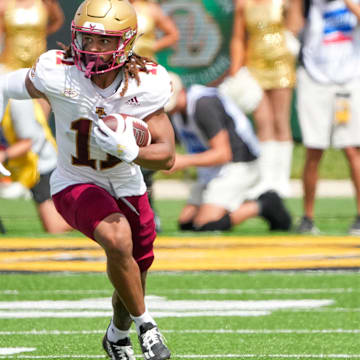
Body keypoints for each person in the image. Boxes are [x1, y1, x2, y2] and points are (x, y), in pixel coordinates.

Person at [0, 0, 175, 359]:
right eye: (86, 39)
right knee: (117, 236)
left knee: (134, 273)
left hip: (126, 182)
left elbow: (168, 155)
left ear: (125, 42)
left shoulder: (146, 82)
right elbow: (5, 85)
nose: (92, 49)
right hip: (74, 181)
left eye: (103, 41)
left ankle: (117, 335)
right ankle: (149, 327)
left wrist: (131, 152)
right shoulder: (57, 71)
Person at [165, 73, 292, 232]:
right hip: (213, 168)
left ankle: (264, 205)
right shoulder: (178, 111)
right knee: (187, 224)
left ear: (182, 91)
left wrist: (184, 161)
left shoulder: (203, 105)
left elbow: (223, 154)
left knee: (206, 225)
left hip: (239, 164)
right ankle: (240, 200)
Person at [291, 0, 360, 235]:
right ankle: (308, 218)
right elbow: (292, 28)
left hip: (349, 80)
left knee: (353, 150)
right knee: (314, 150)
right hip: (314, 79)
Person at [226, 0, 300, 198]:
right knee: (263, 122)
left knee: (280, 121)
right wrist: (236, 69)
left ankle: (281, 180)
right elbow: (238, 38)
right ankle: (266, 180)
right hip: (255, 65)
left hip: (281, 64)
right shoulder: (243, 3)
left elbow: (295, 25)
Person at [0, 0, 64, 199]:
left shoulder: (45, 4)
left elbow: (57, 20)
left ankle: (35, 182)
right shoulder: (4, 4)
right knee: (16, 129)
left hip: (36, 74)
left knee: (39, 130)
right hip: (9, 71)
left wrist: (41, 35)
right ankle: (19, 178)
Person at [130, 0, 179, 232]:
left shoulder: (151, 9)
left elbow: (172, 34)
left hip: (145, 78)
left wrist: (150, 46)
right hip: (120, 79)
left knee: (149, 140)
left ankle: (149, 208)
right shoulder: (116, 8)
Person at [0, 99, 72, 233]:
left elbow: (28, 143)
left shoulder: (18, 103)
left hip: (41, 166)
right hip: (24, 167)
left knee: (54, 227)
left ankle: (99, 219)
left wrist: (4, 156)